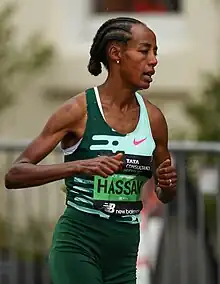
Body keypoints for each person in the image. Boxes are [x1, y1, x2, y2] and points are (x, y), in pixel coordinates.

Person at [4, 17, 177, 284]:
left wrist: (167, 185)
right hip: (79, 245)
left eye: (155, 52)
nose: (153, 60)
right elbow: (15, 174)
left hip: (124, 253)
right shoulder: (78, 110)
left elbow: (165, 195)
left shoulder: (153, 120)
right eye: (144, 51)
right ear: (116, 53)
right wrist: (80, 166)